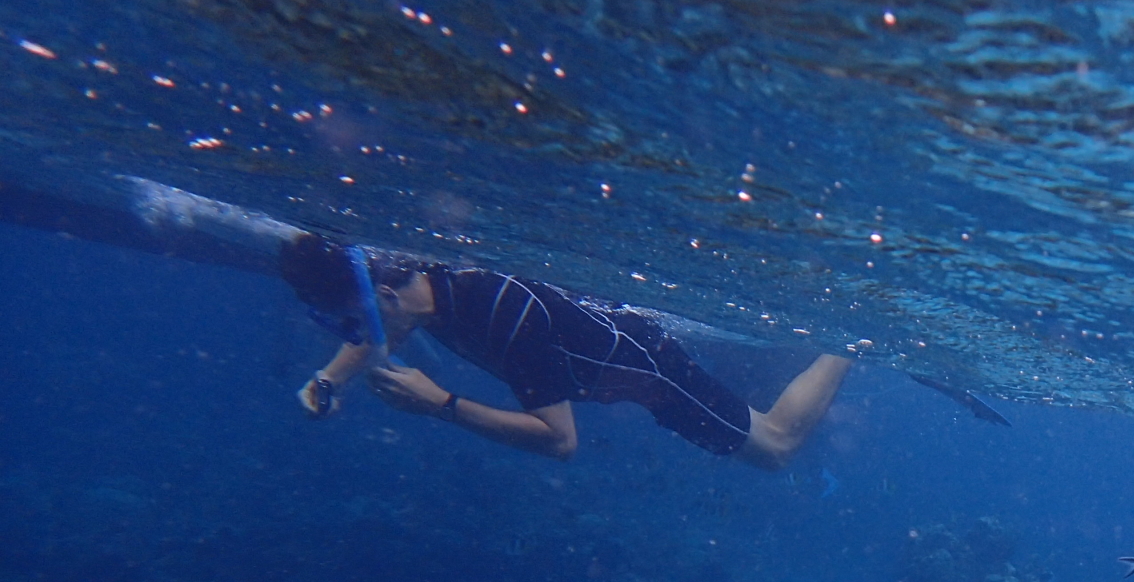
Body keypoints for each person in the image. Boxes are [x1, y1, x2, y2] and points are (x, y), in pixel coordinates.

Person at [278, 233, 851, 470]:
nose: (358, 337)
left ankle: (848, 342)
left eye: (355, 321)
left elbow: (560, 441)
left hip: (647, 370)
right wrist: (327, 380)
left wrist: (440, 404)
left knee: (775, 444)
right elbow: (384, 332)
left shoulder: (503, 318)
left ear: (383, 294)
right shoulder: (420, 283)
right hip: (604, 340)